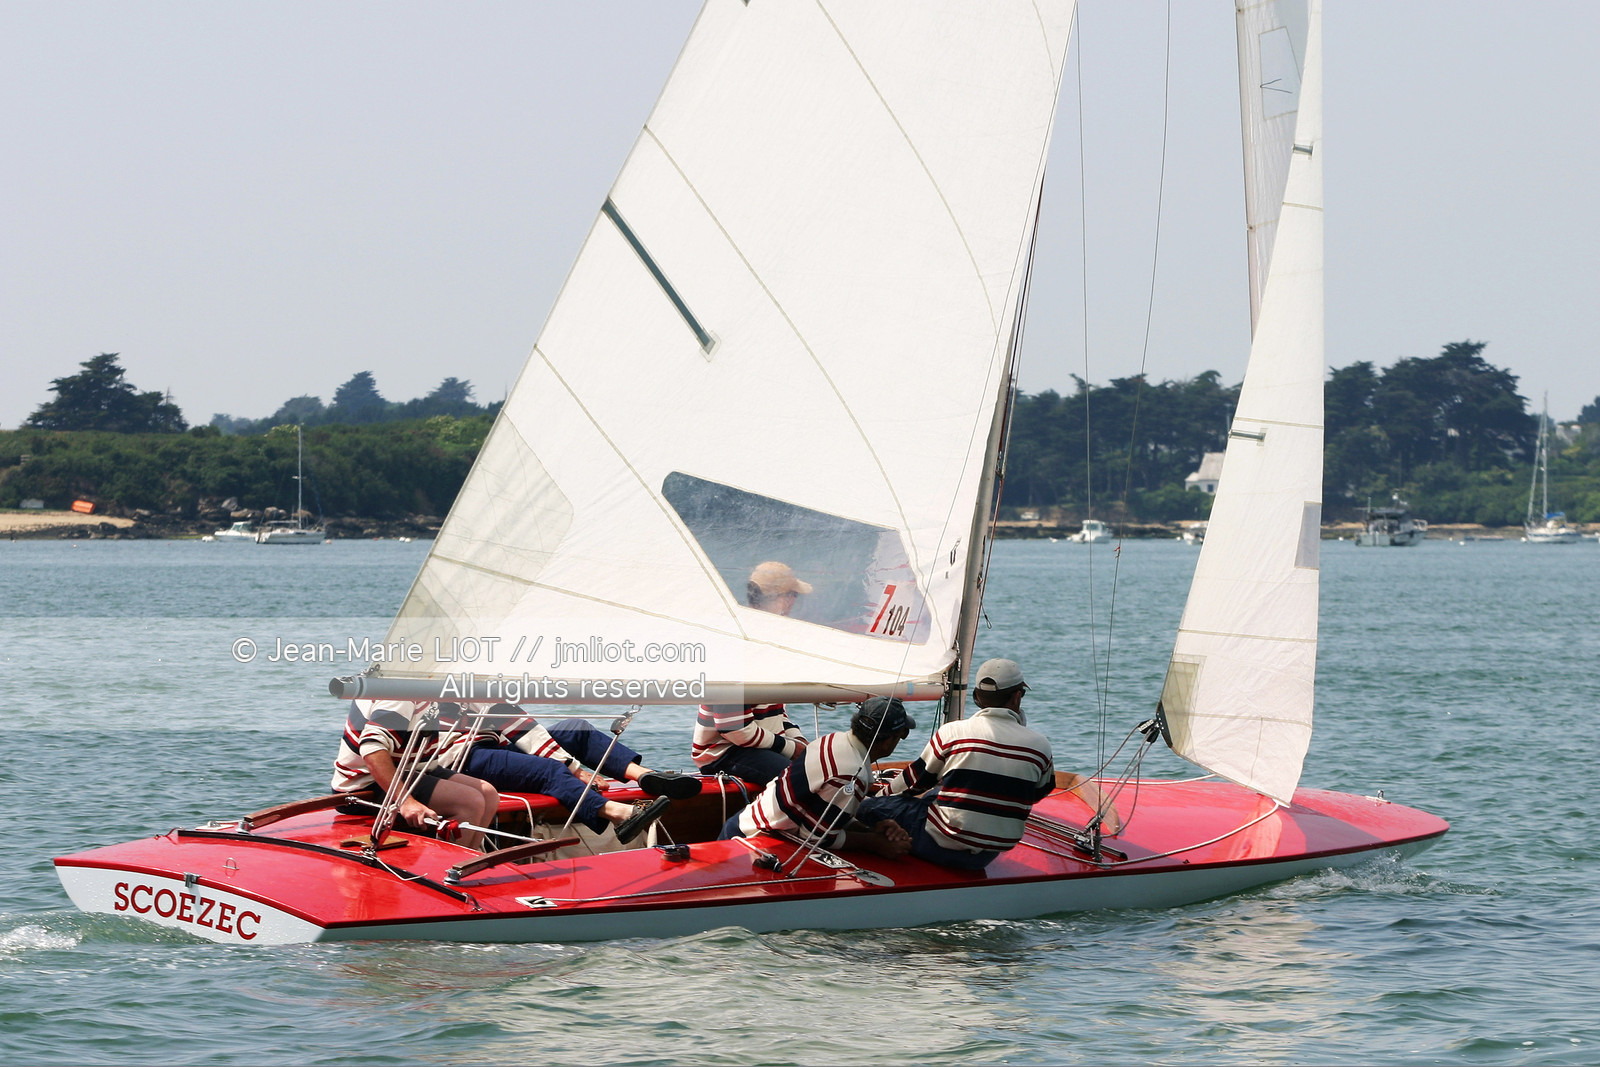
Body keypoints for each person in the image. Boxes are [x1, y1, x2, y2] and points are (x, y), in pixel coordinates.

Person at [856, 658, 1054, 870]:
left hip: (938, 846)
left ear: (977, 697)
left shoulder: (953, 733)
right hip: (987, 856)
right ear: (1017, 696)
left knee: (868, 807)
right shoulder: (1040, 746)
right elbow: (1037, 793)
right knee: (936, 794)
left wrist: (875, 800)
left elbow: (913, 784)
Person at [448, 704, 695, 842]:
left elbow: (518, 725)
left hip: (493, 745)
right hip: (462, 757)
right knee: (551, 769)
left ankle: (645, 776)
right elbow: (518, 728)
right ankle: (619, 815)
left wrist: (572, 766)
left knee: (577, 729)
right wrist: (574, 768)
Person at [720, 696, 914, 859]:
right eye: (901, 734)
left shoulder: (833, 741)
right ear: (889, 741)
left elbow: (819, 814)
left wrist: (869, 829)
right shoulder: (851, 775)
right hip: (749, 842)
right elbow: (815, 838)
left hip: (743, 825)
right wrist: (876, 844)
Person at [690, 562, 812, 784]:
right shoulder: (741, 645)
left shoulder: (765, 642)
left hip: (750, 743)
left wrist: (801, 743)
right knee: (802, 782)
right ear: (783, 598)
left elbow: (775, 714)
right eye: (793, 595)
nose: (794, 601)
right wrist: (792, 748)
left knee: (817, 769)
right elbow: (732, 727)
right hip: (725, 752)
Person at [331, 699, 500, 851]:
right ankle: (449, 874)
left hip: (414, 768)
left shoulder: (417, 684)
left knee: (488, 793)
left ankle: (470, 860)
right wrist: (405, 801)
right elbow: (372, 748)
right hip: (365, 782)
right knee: (470, 802)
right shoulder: (401, 695)